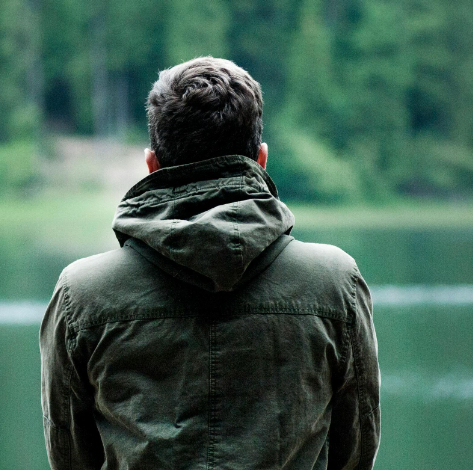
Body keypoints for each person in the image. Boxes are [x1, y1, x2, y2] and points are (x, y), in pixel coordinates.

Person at [40, 56, 380, 470]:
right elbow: (355, 452)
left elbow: (70, 457)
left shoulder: (82, 294)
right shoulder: (335, 283)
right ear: (261, 159)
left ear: (151, 165)